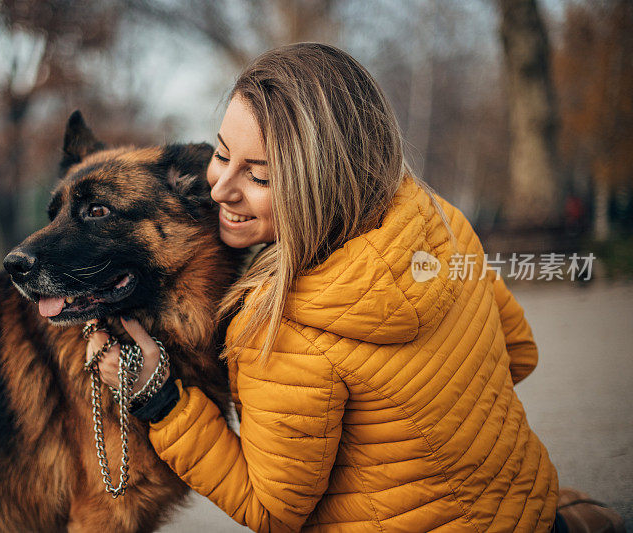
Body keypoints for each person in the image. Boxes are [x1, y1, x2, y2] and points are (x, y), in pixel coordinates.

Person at [86, 43, 563, 532]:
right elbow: (520, 354)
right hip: (530, 511)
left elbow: (269, 512)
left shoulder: (281, 325)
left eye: (259, 175)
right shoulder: (437, 222)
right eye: (222, 154)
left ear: (321, 178)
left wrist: (159, 397)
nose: (220, 188)